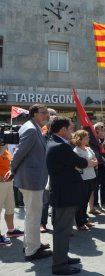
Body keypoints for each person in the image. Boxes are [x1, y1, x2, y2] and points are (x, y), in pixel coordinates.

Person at [4, 104, 52, 261]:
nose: (47, 115)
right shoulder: (31, 129)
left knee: (32, 215)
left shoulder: (33, 127)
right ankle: (32, 251)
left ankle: (32, 244)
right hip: (31, 179)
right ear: (34, 114)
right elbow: (19, 152)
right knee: (33, 216)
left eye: (47, 113)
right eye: (43, 113)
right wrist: (12, 169)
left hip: (32, 178)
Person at [46, 116, 93, 274]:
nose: (73, 132)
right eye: (71, 128)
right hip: (65, 194)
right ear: (63, 129)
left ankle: (63, 258)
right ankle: (59, 265)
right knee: (62, 231)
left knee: (64, 230)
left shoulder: (55, 142)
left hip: (63, 192)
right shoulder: (60, 146)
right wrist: (87, 162)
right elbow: (80, 162)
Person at [72, 130, 98, 231]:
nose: (89, 139)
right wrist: (89, 163)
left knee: (86, 200)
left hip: (91, 177)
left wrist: (88, 163)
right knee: (80, 201)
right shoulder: (76, 151)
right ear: (80, 139)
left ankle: (85, 219)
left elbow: (96, 161)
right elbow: (78, 165)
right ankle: (79, 223)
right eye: (86, 137)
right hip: (82, 179)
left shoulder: (88, 149)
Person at [1, 144, 24, 246]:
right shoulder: (2, 149)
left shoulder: (5, 149)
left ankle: (11, 230)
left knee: (10, 208)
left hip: (8, 182)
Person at [93, 122, 105, 210]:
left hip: (104, 166)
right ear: (96, 130)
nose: (104, 132)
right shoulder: (93, 140)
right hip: (97, 166)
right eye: (102, 130)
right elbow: (95, 153)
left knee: (104, 185)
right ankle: (95, 203)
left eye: (104, 130)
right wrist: (101, 146)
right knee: (96, 186)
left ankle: (103, 201)